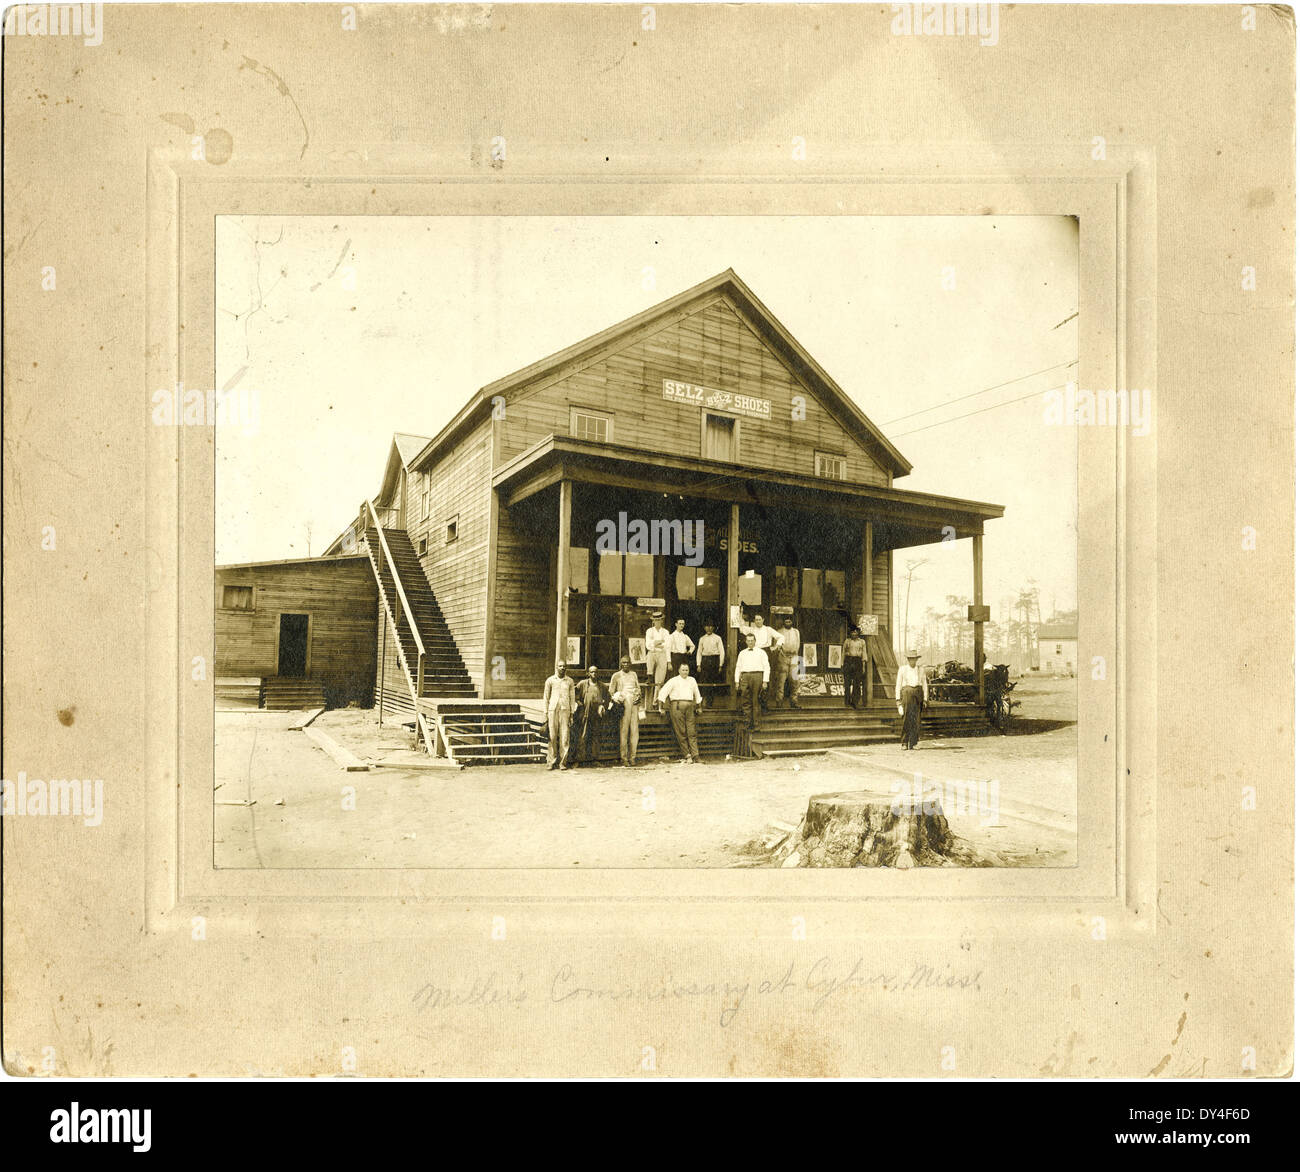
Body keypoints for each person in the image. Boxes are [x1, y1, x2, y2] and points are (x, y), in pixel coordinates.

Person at [657, 662, 703, 763]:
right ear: (679, 671)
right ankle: (687, 755)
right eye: (683, 670)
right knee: (681, 732)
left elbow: (697, 693)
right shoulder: (673, 680)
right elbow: (662, 693)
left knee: (691, 732)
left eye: (687, 670)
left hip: (690, 707)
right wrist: (661, 708)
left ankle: (696, 755)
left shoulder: (692, 680)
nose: (685, 672)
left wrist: (699, 706)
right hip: (677, 707)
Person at [608, 655, 642, 767]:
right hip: (624, 704)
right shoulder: (616, 676)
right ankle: (624, 758)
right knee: (624, 730)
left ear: (630, 663)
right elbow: (611, 692)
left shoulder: (633, 674)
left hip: (634, 704)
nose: (626, 664)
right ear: (621, 664)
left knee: (634, 731)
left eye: (627, 662)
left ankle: (633, 757)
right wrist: (617, 698)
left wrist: (638, 696)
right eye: (624, 663)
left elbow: (638, 688)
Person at [542, 660, 577, 769]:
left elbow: (572, 698)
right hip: (553, 710)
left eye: (564, 666)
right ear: (556, 667)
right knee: (552, 736)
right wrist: (545, 713)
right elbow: (546, 697)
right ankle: (551, 761)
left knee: (564, 736)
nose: (562, 668)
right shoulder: (550, 680)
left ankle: (562, 762)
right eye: (560, 666)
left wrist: (572, 713)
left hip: (565, 710)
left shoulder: (569, 681)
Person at [571, 664, 607, 766]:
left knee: (595, 736)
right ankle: (579, 760)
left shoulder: (602, 686)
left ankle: (594, 759)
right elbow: (574, 695)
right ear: (588, 673)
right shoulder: (583, 684)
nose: (594, 674)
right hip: (584, 714)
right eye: (592, 672)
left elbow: (607, 698)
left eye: (595, 672)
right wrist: (579, 704)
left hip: (596, 715)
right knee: (582, 736)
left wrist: (603, 706)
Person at [734, 630, 770, 732]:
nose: (750, 642)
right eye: (748, 641)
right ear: (746, 641)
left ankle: (756, 725)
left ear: (755, 641)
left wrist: (765, 681)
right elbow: (738, 667)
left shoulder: (761, 652)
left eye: (752, 640)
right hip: (745, 676)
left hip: (757, 676)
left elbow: (767, 667)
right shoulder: (742, 653)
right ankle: (747, 724)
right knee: (745, 701)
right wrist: (737, 681)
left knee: (756, 701)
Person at [895, 649, 928, 751]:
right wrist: (897, 700)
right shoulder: (902, 669)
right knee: (906, 719)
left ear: (916, 659)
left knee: (916, 719)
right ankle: (904, 742)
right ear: (907, 659)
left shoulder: (921, 669)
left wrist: (925, 699)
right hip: (907, 693)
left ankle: (913, 743)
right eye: (910, 659)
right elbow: (898, 685)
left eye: (914, 659)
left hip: (918, 694)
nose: (912, 661)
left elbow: (925, 684)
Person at [743, 613, 777, 712]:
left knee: (765, 676)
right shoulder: (751, 629)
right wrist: (740, 613)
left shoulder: (768, 629)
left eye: (759, 619)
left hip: (765, 651)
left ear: (763, 619)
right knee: (755, 675)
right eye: (756, 620)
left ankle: (764, 704)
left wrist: (775, 647)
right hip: (754, 651)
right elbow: (741, 627)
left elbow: (781, 637)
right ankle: (754, 704)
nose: (757, 621)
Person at [772, 615, 802, 709]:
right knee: (781, 681)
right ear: (784, 622)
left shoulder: (796, 632)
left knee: (794, 681)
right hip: (783, 658)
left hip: (794, 657)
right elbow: (776, 646)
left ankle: (794, 701)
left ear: (792, 622)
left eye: (789, 621)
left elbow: (798, 644)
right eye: (786, 621)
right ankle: (779, 702)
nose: (788, 623)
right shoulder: (779, 632)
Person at [695, 617, 725, 707]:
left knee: (712, 682)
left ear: (713, 628)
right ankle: (702, 702)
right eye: (707, 626)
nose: (709, 628)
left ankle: (710, 703)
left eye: (711, 626)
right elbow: (699, 652)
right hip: (705, 660)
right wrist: (698, 664)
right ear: (704, 628)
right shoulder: (702, 639)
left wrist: (720, 665)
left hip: (714, 660)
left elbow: (722, 651)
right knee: (704, 681)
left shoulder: (718, 638)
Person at [644, 612, 671, 701]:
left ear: (661, 620)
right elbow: (648, 645)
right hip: (653, 653)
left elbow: (666, 646)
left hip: (662, 654)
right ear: (653, 621)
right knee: (650, 655)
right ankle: (649, 675)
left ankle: (656, 701)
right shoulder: (649, 631)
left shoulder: (666, 632)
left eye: (659, 620)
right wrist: (659, 642)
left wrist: (655, 643)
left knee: (659, 681)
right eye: (656, 620)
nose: (657, 622)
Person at [843, 625, 868, 709]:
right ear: (850, 633)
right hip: (848, 661)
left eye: (855, 632)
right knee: (847, 682)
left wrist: (863, 665)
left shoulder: (862, 642)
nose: (854, 633)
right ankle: (847, 701)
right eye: (852, 632)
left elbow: (864, 653)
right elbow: (843, 652)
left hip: (858, 661)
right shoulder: (847, 641)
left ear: (858, 633)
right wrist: (842, 664)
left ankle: (855, 702)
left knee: (857, 683)